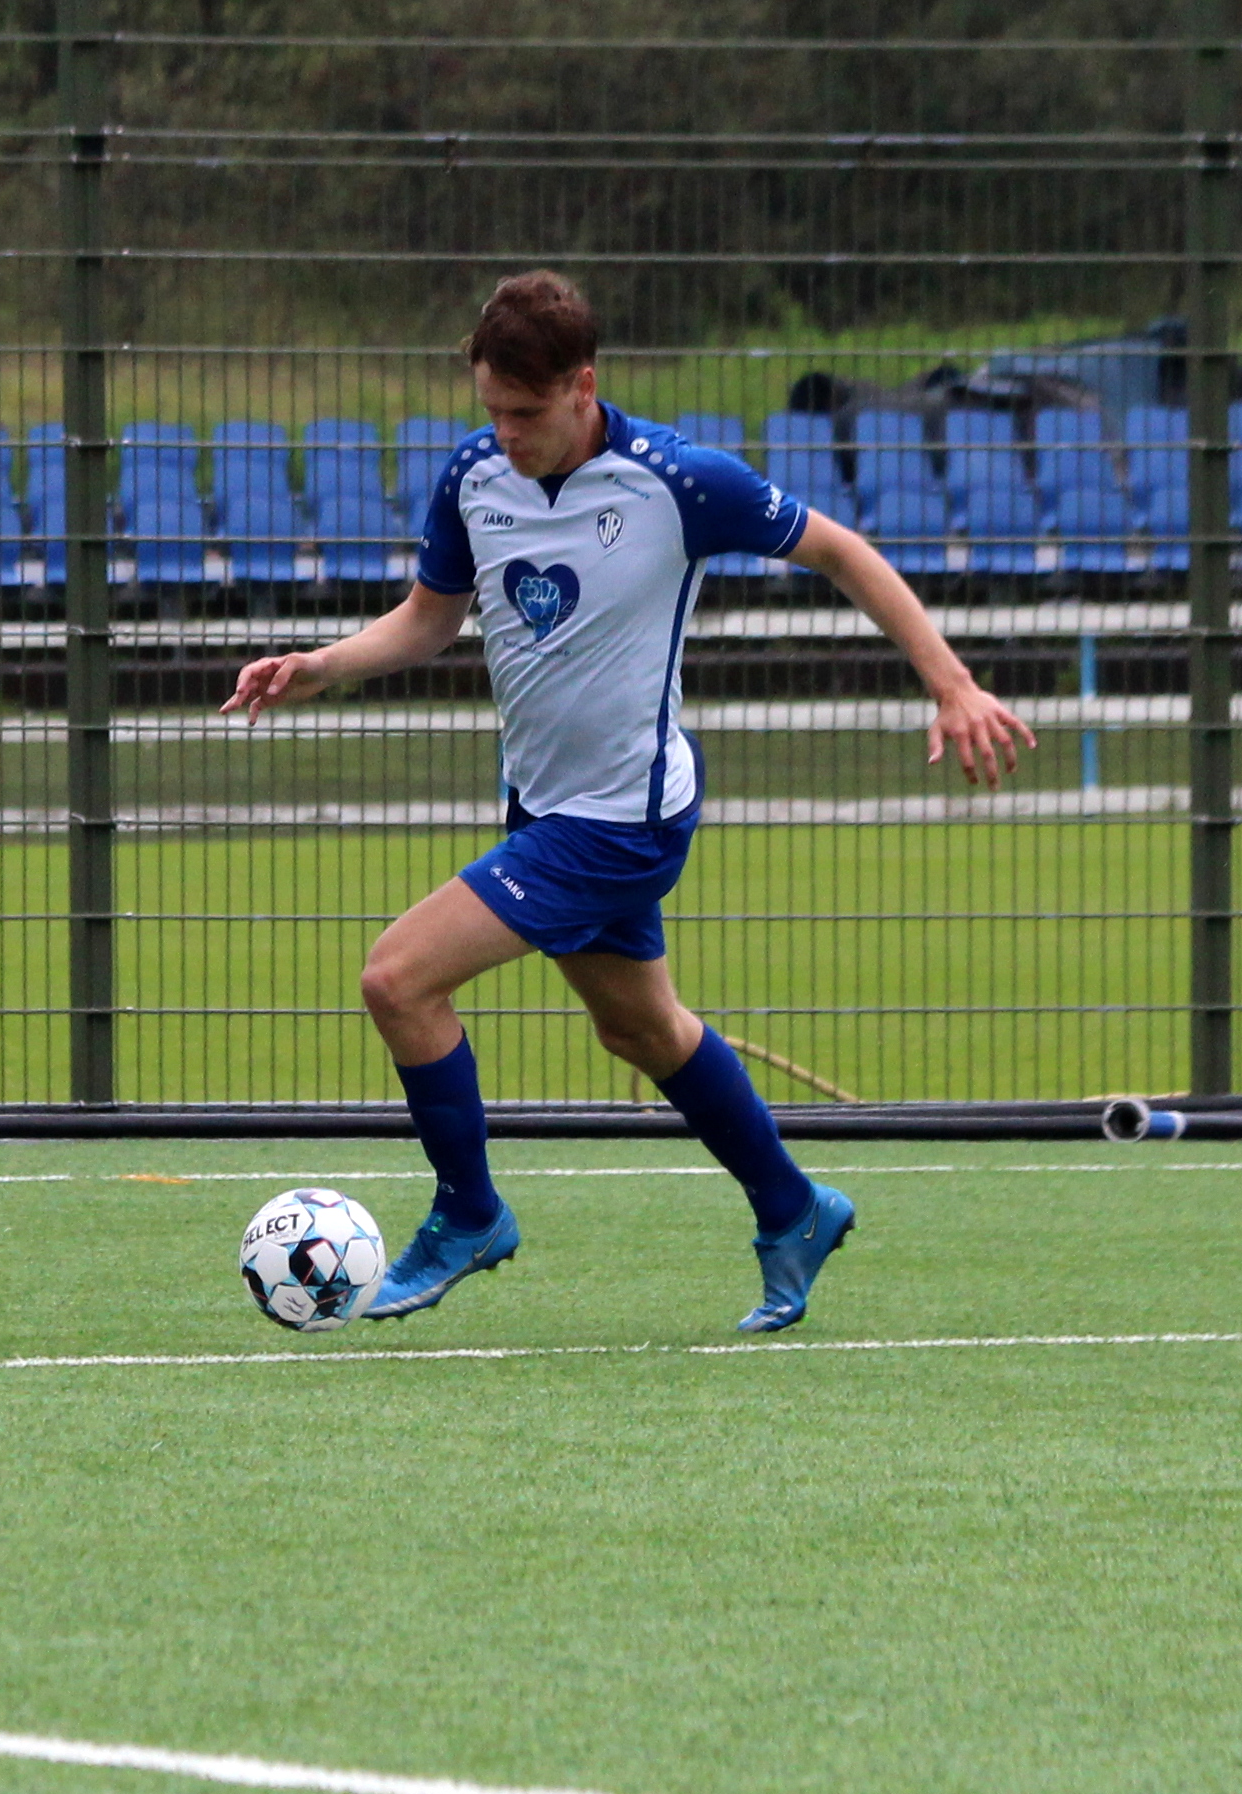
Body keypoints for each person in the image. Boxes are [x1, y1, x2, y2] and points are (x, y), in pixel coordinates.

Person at [223, 272, 1035, 1332]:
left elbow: (839, 549)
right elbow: (430, 619)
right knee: (644, 1030)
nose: (506, 433)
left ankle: (469, 1213)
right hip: (544, 808)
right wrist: (320, 665)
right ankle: (793, 1206)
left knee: (397, 978)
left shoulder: (678, 481)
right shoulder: (475, 474)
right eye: (492, 410)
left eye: (526, 412)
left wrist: (952, 682)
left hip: (621, 822)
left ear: (583, 386)